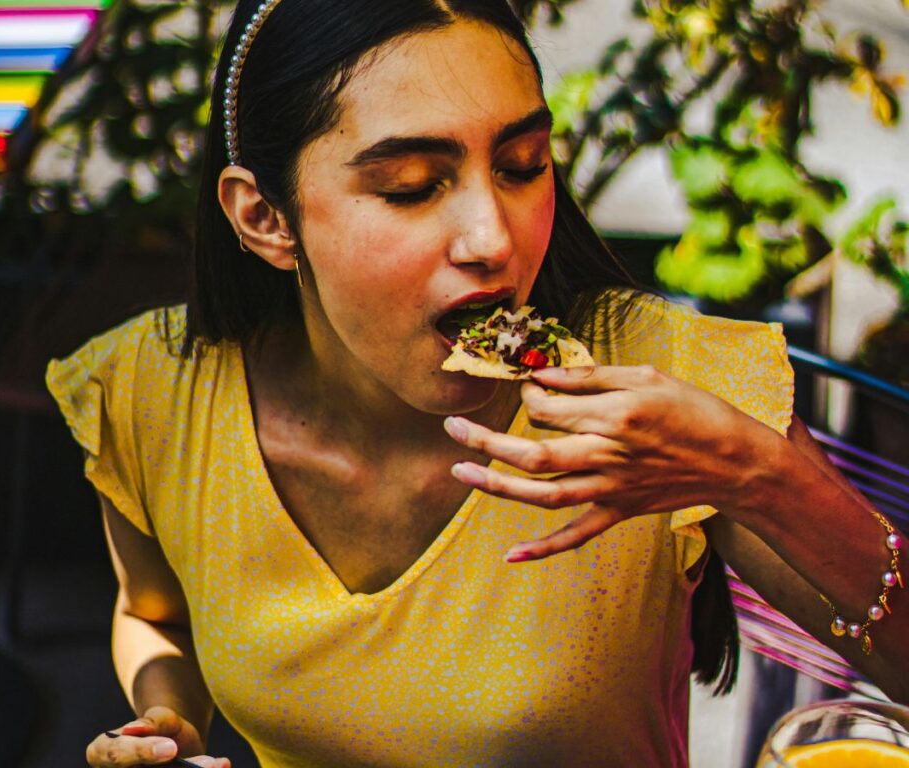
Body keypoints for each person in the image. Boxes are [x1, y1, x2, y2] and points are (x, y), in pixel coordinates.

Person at [45, 1, 908, 765]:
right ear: (266, 218)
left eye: (524, 165)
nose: (493, 239)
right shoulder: (156, 393)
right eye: (412, 187)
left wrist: (755, 472)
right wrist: (165, 714)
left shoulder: (658, 385)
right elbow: (154, 615)